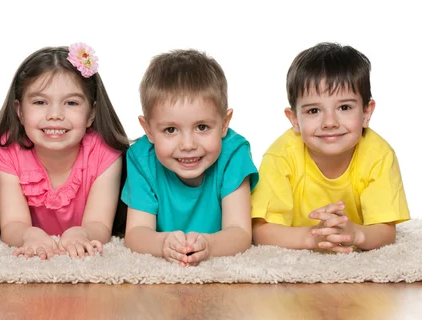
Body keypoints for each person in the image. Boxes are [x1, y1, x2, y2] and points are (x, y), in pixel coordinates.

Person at [252, 42, 410, 252]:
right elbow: (261, 231)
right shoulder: (280, 157)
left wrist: (356, 234)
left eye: (344, 107)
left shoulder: (379, 155)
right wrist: (312, 237)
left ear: (366, 113)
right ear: (294, 120)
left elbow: (386, 231)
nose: (329, 122)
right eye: (313, 111)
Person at [0, 43, 129, 259]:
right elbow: (12, 223)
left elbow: (99, 224)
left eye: (71, 103)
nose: (55, 114)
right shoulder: (8, 151)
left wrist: (82, 233)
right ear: (20, 111)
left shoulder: (103, 153)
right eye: (40, 102)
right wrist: (28, 235)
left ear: (91, 113)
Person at [122, 49, 259, 267]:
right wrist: (162, 243)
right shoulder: (142, 158)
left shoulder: (234, 153)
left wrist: (210, 245)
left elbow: (241, 233)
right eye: (170, 130)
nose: (188, 145)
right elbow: (136, 232)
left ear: (224, 123)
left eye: (202, 127)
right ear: (147, 129)